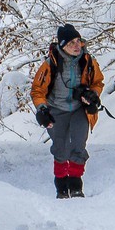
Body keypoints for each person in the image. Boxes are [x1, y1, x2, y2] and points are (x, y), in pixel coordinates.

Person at [31, 23, 104, 198]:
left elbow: (98, 82)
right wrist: (42, 109)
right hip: (57, 110)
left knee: (78, 145)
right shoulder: (51, 64)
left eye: (78, 41)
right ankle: (61, 186)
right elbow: (37, 90)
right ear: (62, 45)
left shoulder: (88, 61)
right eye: (71, 43)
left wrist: (92, 95)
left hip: (80, 110)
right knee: (61, 148)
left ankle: (76, 185)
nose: (77, 45)